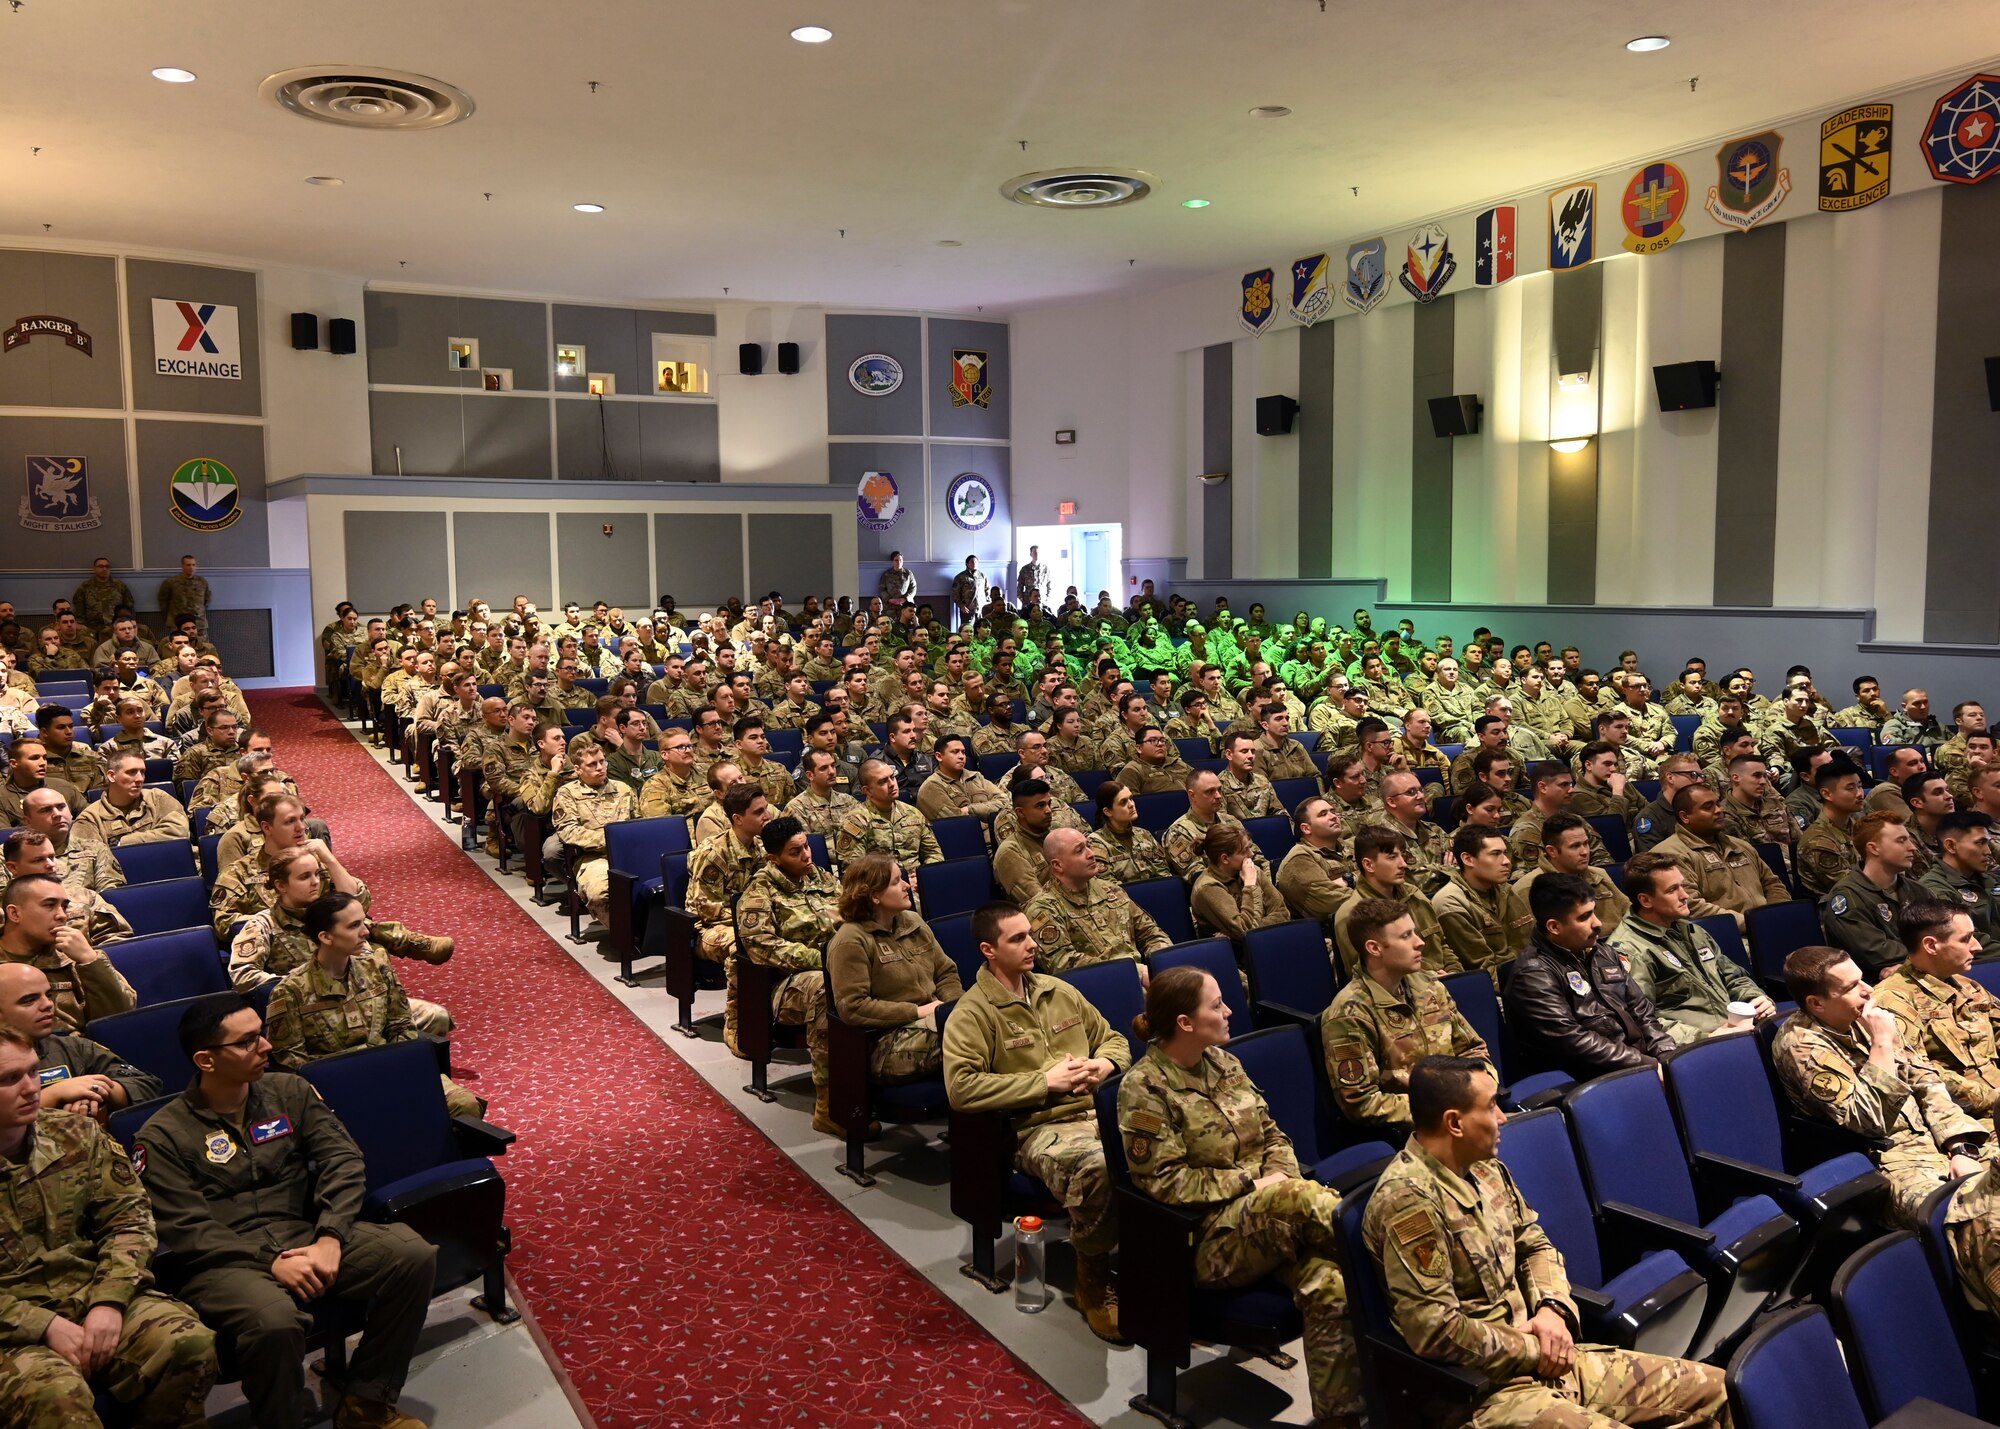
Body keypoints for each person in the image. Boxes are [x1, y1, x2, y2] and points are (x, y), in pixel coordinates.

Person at [1364, 1056, 1732, 1429]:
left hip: (1550, 1358)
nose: (1503, 1117)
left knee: (1720, 1390)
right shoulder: (1408, 1203)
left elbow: (1535, 1245)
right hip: (1487, 1393)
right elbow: (1435, 1330)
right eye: (1491, 1107)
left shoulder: (1484, 1167)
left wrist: (1552, 1311)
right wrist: (1536, 1350)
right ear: (1454, 1123)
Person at [135, 994, 439, 1429]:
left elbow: (343, 1159)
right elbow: (188, 1229)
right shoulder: (162, 1136)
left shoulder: (289, 1091)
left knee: (412, 1256)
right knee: (274, 1322)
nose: (266, 1047)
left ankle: (366, 1404)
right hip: (225, 1263)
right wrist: (270, 1262)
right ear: (206, 1059)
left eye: (261, 1034)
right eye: (247, 1041)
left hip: (302, 1233)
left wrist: (330, 1236)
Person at [1118, 965, 1362, 1428]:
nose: (1230, 1011)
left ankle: (1341, 1420)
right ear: (1185, 1023)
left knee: (1332, 1285)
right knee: (1302, 1204)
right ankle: (1394, 1257)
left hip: (1273, 1218)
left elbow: (1274, 1136)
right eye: (1216, 1005)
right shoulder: (1145, 1088)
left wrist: (1277, 1177)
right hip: (1206, 1242)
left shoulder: (1225, 1062)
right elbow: (1163, 1183)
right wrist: (1254, 1185)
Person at [0, 1025, 218, 1424]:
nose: (31, 1088)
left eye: (32, 1072)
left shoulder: (76, 1133)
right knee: (57, 1397)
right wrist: (43, 1324)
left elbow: (129, 1218)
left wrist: (110, 1299)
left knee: (188, 1342)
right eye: (10, 1079)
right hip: (11, 1324)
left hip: (90, 1290)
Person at [941, 901, 1130, 1343]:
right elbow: (962, 1088)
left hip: (1099, 1109)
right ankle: (1094, 1283)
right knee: (1100, 1166)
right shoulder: (972, 1013)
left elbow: (1114, 1038)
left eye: (1030, 934)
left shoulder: (1057, 990)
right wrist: (1043, 1082)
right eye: (1018, 939)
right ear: (989, 950)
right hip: (1038, 1129)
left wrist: (1105, 1065)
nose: (1031, 944)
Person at [1773, 945, 1989, 1230]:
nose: (1868, 990)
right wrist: (1881, 1043)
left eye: (1862, 979)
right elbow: (1871, 1122)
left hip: (1937, 1138)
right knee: (1972, 1214)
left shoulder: (1865, 1016)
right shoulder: (1801, 1045)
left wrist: (1960, 1148)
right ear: (1816, 1003)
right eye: (1852, 986)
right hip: (1886, 1162)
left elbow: (1927, 1081)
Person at [265, 892, 482, 1117]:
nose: (366, 932)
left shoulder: (376, 968)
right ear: (326, 937)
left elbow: (401, 1026)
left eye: (364, 922)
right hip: (334, 1086)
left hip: (389, 1068)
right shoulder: (290, 992)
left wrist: (398, 1067)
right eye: (354, 926)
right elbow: (292, 1065)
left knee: (464, 1105)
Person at [1321, 897, 1489, 1141]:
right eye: (1406, 936)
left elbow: (1473, 1049)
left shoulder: (1429, 986)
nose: (1420, 943)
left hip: (1463, 1112)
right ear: (1374, 948)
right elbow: (1360, 1101)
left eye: (1416, 933)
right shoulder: (1349, 1014)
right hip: (1412, 1134)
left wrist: (1482, 1090)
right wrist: (1442, 1108)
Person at [1505, 873, 1677, 1077]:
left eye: (1594, 912)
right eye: (1584, 917)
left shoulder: (1602, 952)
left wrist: (1666, 1056)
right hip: (1587, 1076)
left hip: (1636, 1062)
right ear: (1554, 927)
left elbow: (1642, 1011)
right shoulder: (1533, 974)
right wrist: (1648, 1066)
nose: (1598, 924)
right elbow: (1574, 1041)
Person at [732, 816, 843, 1131]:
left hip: (840, 965)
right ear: (774, 858)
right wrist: (823, 959)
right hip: (786, 985)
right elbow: (761, 947)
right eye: (796, 852)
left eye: (807, 846)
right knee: (827, 988)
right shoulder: (759, 891)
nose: (807, 855)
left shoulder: (821, 877)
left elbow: (853, 913)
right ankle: (828, 1104)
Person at [1605, 852, 1775, 1044]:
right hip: (1695, 1046)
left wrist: (1755, 998)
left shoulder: (1690, 929)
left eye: (1683, 886)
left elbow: (1732, 976)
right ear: (1645, 900)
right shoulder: (1630, 950)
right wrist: (1705, 1038)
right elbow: (1640, 1021)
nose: (1685, 896)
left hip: (1734, 1032)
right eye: (1672, 890)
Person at [825, 856, 962, 1084]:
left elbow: (946, 972)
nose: (907, 885)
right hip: (888, 1041)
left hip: (935, 1020)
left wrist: (954, 1008)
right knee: (968, 1036)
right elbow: (853, 1007)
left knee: (988, 1021)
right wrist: (918, 1012)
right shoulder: (851, 940)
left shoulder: (912, 921)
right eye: (896, 881)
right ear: (874, 895)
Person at [1869, 898, 2000, 1125]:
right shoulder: (1892, 1001)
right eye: (1965, 939)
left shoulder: (1966, 985)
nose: (1977, 946)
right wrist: (1994, 1099)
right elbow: (1919, 1074)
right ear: (1931, 945)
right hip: (1965, 1117)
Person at [0, 960, 160, 1118]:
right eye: (29, 1000)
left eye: (48, 995)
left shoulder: (74, 1047)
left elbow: (147, 1086)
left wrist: (93, 1092)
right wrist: (54, 1095)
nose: (48, 1004)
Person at [689, 783, 770, 1056]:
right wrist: (750, 923)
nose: (766, 816)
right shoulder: (714, 853)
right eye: (758, 812)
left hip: (751, 924)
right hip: (710, 929)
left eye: (766, 809)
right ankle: (736, 1026)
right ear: (737, 819)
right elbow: (704, 907)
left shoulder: (761, 847)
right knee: (741, 948)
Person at [1023, 827, 1168, 975]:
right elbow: (1063, 963)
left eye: (1088, 846)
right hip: (1096, 987)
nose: (1091, 854)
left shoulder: (1112, 890)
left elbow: (1150, 932)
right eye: (1079, 851)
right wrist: (1134, 973)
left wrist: (1162, 962)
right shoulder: (1043, 909)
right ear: (1058, 865)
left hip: (1141, 978)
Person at [0, 872, 134, 1032]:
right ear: (14, 913)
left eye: (64, 906)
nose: (62, 916)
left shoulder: (75, 953)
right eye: (49, 905)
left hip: (76, 1051)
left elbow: (121, 1016)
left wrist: (90, 960)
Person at [1647, 782, 1789, 930]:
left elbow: (1773, 884)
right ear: (1685, 817)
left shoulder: (1741, 846)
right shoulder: (1669, 855)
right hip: (1721, 935)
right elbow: (1690, 905)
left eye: (1718, 804)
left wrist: (1775, 915)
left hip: (1768, 927)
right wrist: (1754, 923)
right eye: (1708, 807)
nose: (1719, 810)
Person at [1820, 811, 1928, 978]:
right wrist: (1933, 951)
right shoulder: (1848, 897)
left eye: (1909, 839)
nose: (1912, 847)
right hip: (1869, 985)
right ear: (1873, 848)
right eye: (1901, 840)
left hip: (1920, 972)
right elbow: (1876, 953)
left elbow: (1945, 931)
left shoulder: (1918, 891)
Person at [1331, 826, 1448, 977]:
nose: (1403, 864)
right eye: (1392, 857)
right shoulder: (1351, 915)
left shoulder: (1414, 895)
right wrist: (1430, 979)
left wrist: (1456, 976)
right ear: (1369, 865)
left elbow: (1444, 946)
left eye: (1402, 856)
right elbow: (1367, 975)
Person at [1429, 825, 1534, 976]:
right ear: (1468, 859)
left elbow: (1530, 946)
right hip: (1502, 985)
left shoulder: (1504, 890)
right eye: (1495, 854)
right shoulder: (1451, 902)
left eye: (1505, 853)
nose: (1506, 861)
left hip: (1527, 973)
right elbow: (1483, 971)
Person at [835, 759, 942, 893]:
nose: (892, 784)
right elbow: (854, 871)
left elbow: (933, 853)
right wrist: (899, 882)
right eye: (883, 781)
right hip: (882, 891)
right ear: (867, 791)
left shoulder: (913, 813)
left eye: (892, 777)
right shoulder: (856, 821)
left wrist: (925, 877)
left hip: (921, 885)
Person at [1513, 812, 1631, 934]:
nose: (1584, 852)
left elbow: (1631, 915)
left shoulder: (1599, 875)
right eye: (1575, 846)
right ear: (1552, 851)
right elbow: (1528, 942)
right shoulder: (1527, 889)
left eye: (1586, 844)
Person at [68, 746, 191, 848]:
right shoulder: (90, 818)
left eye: (142, 772)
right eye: (131, 772)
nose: (139, 779)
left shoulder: (158, 798)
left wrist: (123, 842)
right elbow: (88, 859)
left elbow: (179, 831)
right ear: (111, 776)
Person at [1189, 822, 1289, 939]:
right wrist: (1250, 885)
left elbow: (1283, 913)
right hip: (1234, 953)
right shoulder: (1208, 888)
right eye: (1245, 851)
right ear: (1225, 859)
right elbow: (1247, 932)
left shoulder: (1252, 870)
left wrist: (1235, 933)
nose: (1251, 854)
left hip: (1270, 940)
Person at [1921, 811, 2000, 954]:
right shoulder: (1933, 888)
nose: (1988, 851)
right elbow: (1966, 940)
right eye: (1980, 843)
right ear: (1951, 846)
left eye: (1987, 843)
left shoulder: (1991, 880)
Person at [1087, 780, 1171, 884]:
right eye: (1123, 802)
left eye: (1131, 798)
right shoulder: (1096, 843)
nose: (1131, 804)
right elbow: (1106, 884)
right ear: (1108, 811)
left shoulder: (1144, 834)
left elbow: (1164, 874)